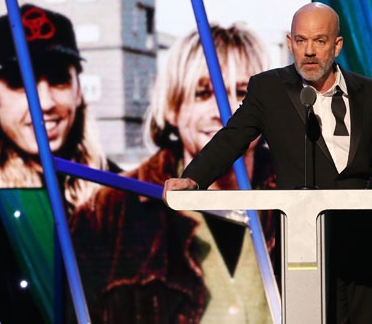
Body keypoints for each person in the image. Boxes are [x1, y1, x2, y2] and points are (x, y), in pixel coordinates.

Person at [163, 2, 372, 324]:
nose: (309, 51)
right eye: (301, 40)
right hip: (303, 248)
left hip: (363, 246)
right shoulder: (269, 89)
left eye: (319, 41)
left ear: (337, 45)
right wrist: (193, 178)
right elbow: (231, 139)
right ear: (290, 43)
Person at [70, 23, 277, 323]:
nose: (223, 110)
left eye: (242, 93)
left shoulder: (304, 193)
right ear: (172, 107)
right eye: (203, 93)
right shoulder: (108, 212)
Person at [0, 3, 120, 210]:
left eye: (59, 80)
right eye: (22, 84)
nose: (45, 102)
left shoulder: (119, 190)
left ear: (78, 92)